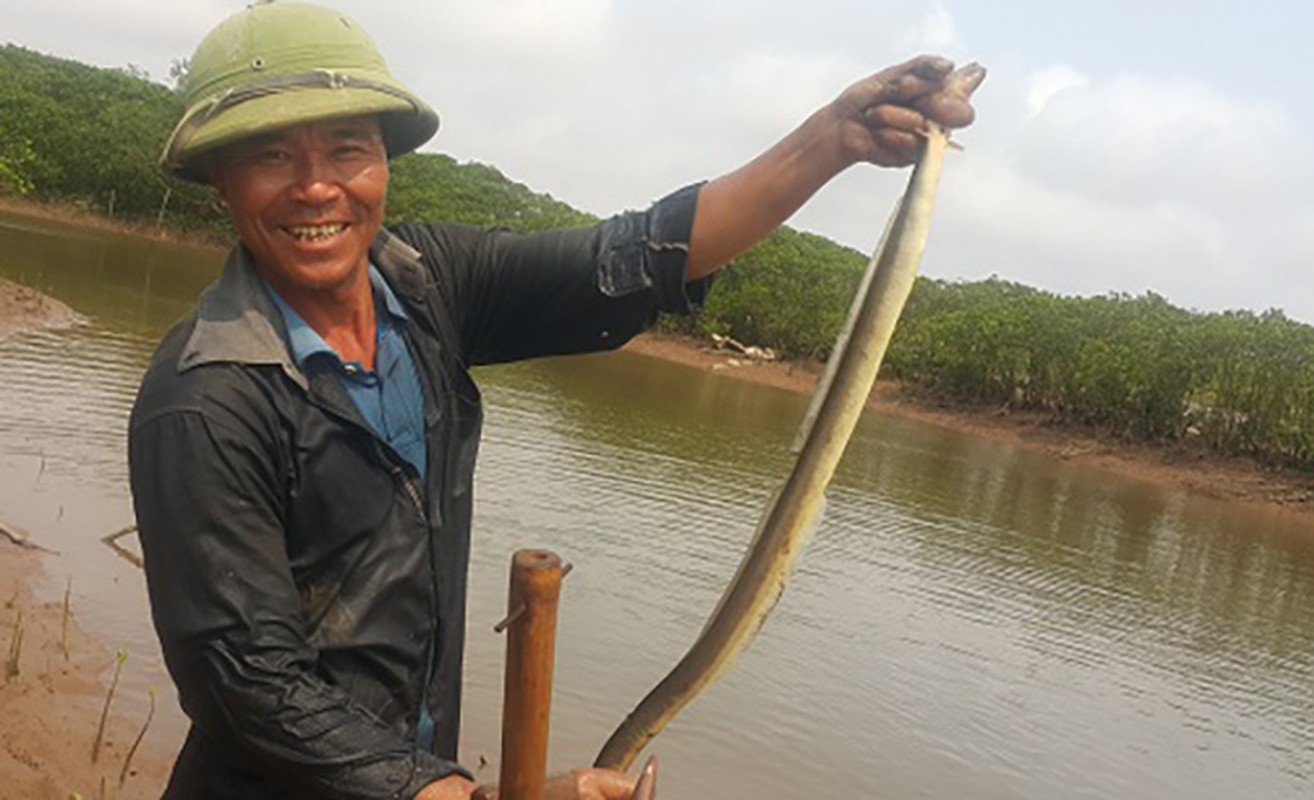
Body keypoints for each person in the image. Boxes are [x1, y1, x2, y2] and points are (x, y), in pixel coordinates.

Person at [127, 2, 979, 798]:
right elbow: (249, 679)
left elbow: (630, 259)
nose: (317, 188)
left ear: (383, 160)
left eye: (347, 147)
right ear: (220, 181)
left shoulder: (428, 286)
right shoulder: (204, 401)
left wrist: (836, 137)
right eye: (271, 155)